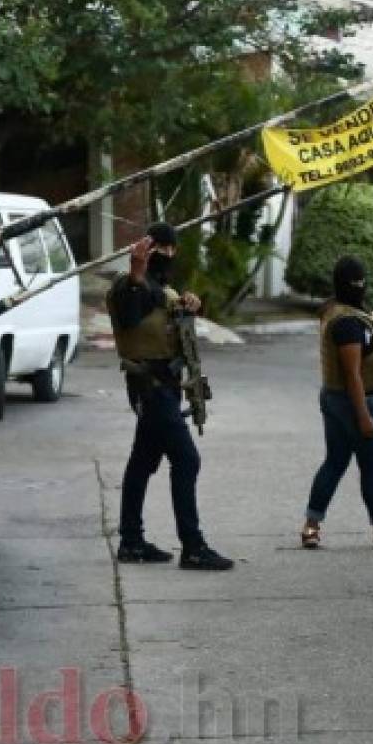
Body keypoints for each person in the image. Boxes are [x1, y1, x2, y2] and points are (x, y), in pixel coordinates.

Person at [105, 222, 233, 570]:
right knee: (187, 460)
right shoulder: (127, 286)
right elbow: (130, 316)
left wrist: (190, 306)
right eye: (161, 247)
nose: (168, 254)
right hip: (151, 390)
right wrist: (135, 273)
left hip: (168, 389)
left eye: (171, 248)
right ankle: (192, 546)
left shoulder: (164, 290)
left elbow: (175, 329)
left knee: (142, 462)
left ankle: (131, 541)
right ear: (145, 248)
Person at [301, 255, 373, 550]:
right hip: (356, 401)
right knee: (370, 468)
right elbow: (353, 375)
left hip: (332, 398)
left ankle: (311, 526)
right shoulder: (348, 324)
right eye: (358, 282)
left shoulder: (335, 311)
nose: (361, 286)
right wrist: (364, 416)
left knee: (334, 462)